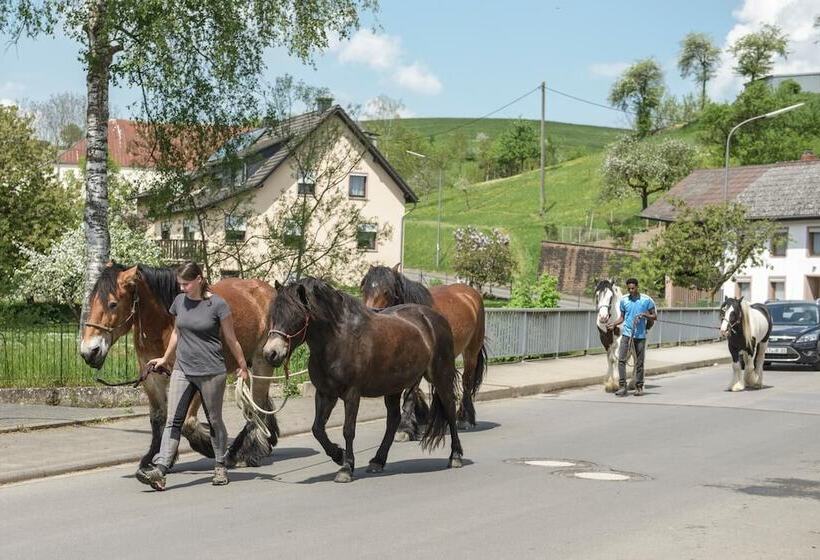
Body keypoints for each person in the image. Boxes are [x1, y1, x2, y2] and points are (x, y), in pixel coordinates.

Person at [136, 261, 249, 491]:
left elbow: (231, 338)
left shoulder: (218, 305)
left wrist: (242, 365)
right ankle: (161, 469)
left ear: (199, 279)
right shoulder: (179, 302)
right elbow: (177, 333)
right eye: (180, 284)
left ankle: (220, 465)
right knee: (173, 421)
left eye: (186, 284)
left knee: (214, 420)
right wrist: (166, 358)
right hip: (183, 370)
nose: (182, 288)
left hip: (211, 372)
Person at [608, 278, 656, 397]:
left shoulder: (646, 300)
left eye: (633, 288)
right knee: (621, 360)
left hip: (640, 336)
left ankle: (639, 387)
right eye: (629, 289)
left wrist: (645, 315)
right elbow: (622, 317)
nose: (631, 291)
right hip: (627, 335)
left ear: (637, 287)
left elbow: (654, 316)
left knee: (639, 362)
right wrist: (614, 323)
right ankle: (622, 387)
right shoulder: (624, 300)